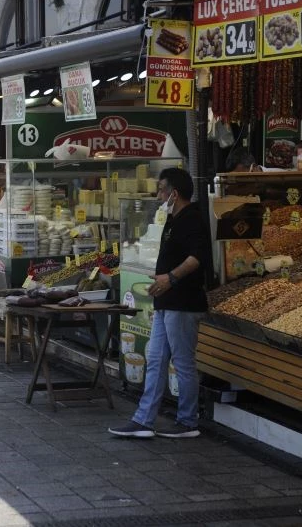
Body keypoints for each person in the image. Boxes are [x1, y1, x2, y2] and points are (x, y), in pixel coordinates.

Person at [109, 168, 211, 439]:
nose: (158, 194)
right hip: (166, 301)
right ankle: (144, 420)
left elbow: (197, 258)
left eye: (161, 189)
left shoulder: (192, 219)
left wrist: (171, 278)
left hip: (183, 302)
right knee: (155, 359)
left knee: (182, 362)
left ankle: (188, 422)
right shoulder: (172, 219)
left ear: (174, 193)